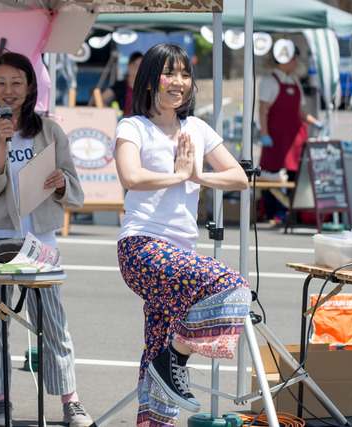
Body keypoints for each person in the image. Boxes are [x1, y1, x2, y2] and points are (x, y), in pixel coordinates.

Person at [114, 42, 252, 427]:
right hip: (142, 248)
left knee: (157, 351)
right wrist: (177, 175)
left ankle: (161, 379)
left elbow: (238, 177)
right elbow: (131, 177)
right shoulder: (133, 126)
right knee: (232, 286)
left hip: (181, 252)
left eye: (185, 74)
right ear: (149, 81)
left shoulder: (197, 128)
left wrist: (197, 176)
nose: (179, 82)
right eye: (169, 73)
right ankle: (172, 358)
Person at [0, 51, 93, 427]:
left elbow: (75, 188)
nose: (8, 90)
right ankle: (2, 401)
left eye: (17, 81)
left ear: (31, 86)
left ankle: (71, 401)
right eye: (0, 82)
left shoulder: (50, 131)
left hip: (41, 238)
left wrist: (62, 182)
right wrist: (0, 148)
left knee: (52, 320)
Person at [258, 39, 322, 223]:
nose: (296, 62)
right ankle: (273, 214)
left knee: (293, 176)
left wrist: (315, 122)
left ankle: (288, 213)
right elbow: (263, 109)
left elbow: (300, 112)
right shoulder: (269, 81)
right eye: (294, 58)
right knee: (271, 177)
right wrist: (264, 134)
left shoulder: (294, 81)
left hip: (294, 139)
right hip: (275, 138)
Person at [101, 51, 143, 117]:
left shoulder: (146, 87)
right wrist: (111, 113)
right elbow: (101, 99)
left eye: (140, 65)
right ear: (128, 66)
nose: (137, 68)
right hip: (123, 122)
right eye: (135, 65)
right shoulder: (120, 85)